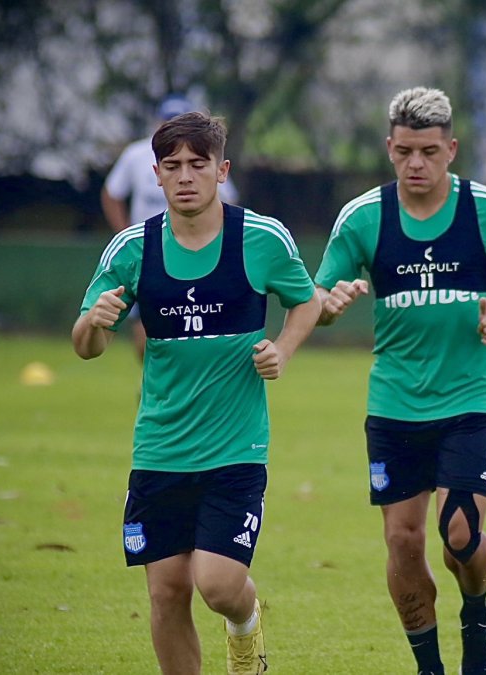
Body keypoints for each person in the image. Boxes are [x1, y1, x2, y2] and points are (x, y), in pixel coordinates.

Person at [73, 110, 319, 675]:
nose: (185, 175)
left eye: (198, 164)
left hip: (236, 449)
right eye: (173, 165)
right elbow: (85, 346)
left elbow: (305, 302)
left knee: (217, 583)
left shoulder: (261, 238)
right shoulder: (130, 249)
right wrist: (95, 322)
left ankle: (246, 624)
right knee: (166, 592)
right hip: (160, 448)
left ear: (221, 170)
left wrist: (282, 348)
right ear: (155, 175)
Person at [314, 86, 486, 675]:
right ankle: (430, 667)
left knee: (459, 533)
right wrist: (332, 302)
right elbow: (318, 295)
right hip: (394, 404)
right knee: (403, 543)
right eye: (406, 151)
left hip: (470, 399)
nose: (417, 164)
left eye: (430, 152)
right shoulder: (363, 218)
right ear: (389, 149)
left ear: (452, 150)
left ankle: (476, 610)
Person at [103, 94, 242, 363]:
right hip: (152, 254)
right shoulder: (136, 154)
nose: (184, 175)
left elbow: (229, 198)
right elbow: (112, 192)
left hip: (197, 251)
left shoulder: (203, 153)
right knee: (145, 337)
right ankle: (156, 383)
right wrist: (123, 232)